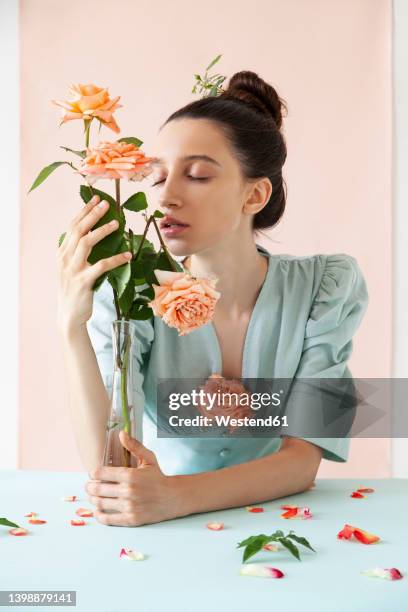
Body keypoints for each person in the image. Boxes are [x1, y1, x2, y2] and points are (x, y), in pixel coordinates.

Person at [57, 71, 369, 527]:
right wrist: (70, 328)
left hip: (278, 525)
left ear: (255, 194)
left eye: (198, 174)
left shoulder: (327, 287)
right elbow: (110, 471)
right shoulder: (134, 293)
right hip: (164, 537)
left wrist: (176, 497)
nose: (166, 196)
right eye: (157, 177)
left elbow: (304, 458)